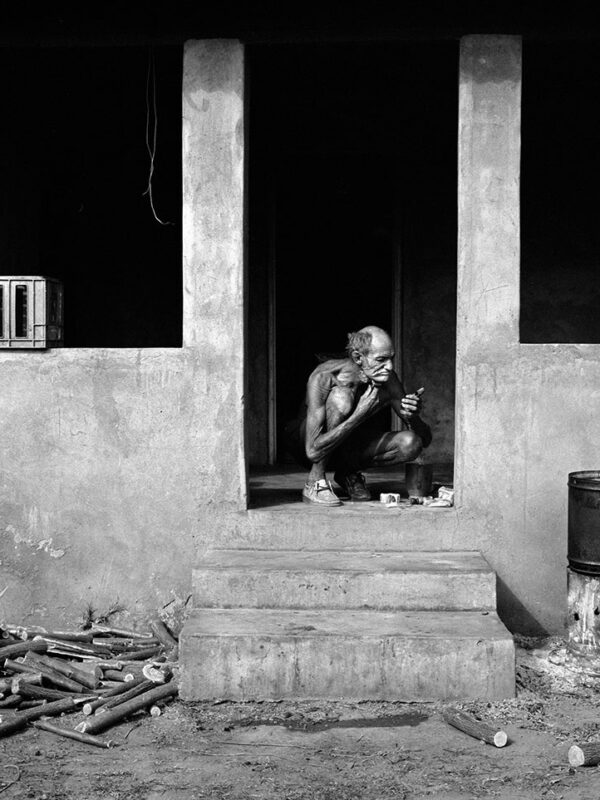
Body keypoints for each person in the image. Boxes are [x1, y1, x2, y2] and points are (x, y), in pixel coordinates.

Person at [284, 325, 432, 506]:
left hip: (345, 446)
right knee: (341, 399)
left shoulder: (388, 378)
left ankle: (347, 473)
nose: (389, 367)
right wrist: (360, 413)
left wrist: (413, 416)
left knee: (410, 443)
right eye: (381, 360)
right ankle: (315, 482)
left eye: (391, 359)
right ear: (358, 358)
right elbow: (313, 451)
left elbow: (423, 440)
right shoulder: (326, 376)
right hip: (305, 446)